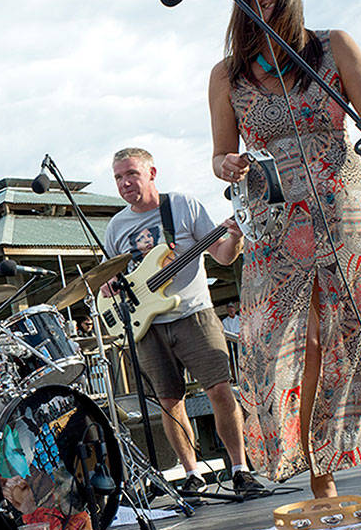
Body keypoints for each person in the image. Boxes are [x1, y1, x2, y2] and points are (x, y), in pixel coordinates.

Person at [208, 0, 361, 499]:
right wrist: (227, 164)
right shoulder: (227, 74)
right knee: (300, 343)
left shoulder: (333, 45)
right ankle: (322, 481)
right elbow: (220, 153)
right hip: (274, 216)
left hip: (345, 202)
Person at [102, 147, 267, 497]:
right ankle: (192, 474)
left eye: (131, 174)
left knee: (220, 389)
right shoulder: (116, 226)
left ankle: (239, 469)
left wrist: (236, 236)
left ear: (151, 173)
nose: (125, 182)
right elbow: (114, 277)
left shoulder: (182, 206)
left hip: (194, 313)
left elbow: (223, 256)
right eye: (118, 177)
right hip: (148, 325)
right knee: (168, 401)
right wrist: (110, 285)